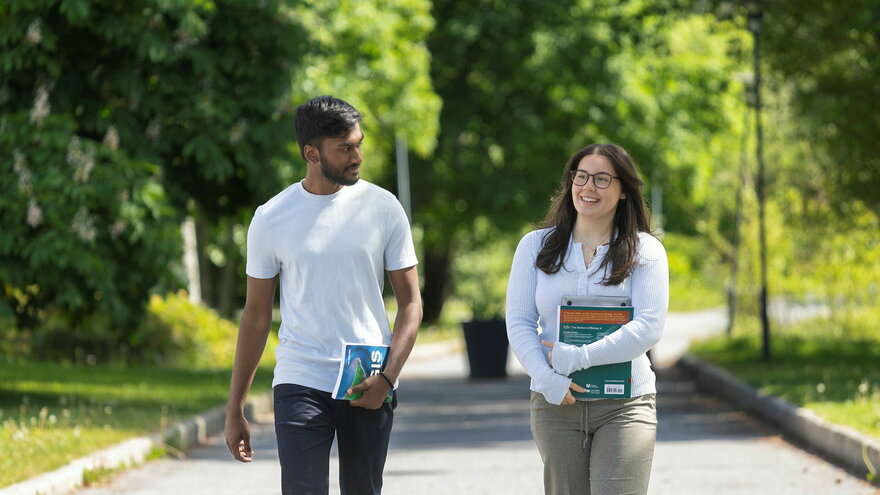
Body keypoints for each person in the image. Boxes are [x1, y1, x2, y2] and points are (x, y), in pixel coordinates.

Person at [224, 95, 422, 495]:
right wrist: (235, 407)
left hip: (367, 376)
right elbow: (257, 315)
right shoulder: (271, 217)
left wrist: (388, 378)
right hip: (301, 377)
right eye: (345, 148)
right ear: (312, 153)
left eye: (358, 144)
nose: (357, 156)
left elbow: (411, 304)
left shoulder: (383, 208)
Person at [505, 143, 668, 495]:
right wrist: (546, 378)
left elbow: (648, 327)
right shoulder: (535, 246)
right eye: (581, 176)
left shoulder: (646, 251)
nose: (587, 187)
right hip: (555, 403)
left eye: (601, 179)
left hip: (626, 404)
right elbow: (519, 322)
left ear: (623, 190)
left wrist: (581, 357)